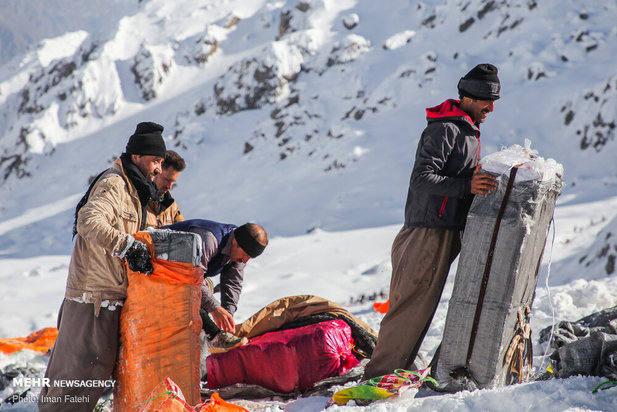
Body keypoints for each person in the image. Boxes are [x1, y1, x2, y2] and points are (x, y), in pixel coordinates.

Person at [362, 64, 501, 380]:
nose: (491, 108)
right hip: (426, 232)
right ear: (469, 96)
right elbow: (422, 179)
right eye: (486, 100)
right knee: (409, 308)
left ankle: (391, 371)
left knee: (419, 308)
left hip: (442, 231)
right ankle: (376, 379)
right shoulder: (445, 129)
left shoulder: (465, 129)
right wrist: (467, 186)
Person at [39, 122, 167, 411]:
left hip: (105, 297)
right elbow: (88, 221)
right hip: (92, 297)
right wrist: (126, 246)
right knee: (76, 376)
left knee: (93, 374)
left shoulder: (135, 190)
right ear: (137, 157)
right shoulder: (115, 184)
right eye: (155, 160)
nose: (159, 168)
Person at [164, 219, 268, 353]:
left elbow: (233, 284)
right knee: (195, 297)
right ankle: (214, 336)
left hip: (182, 276)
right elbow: (191, 276)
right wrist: (216, 309)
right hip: (157, 268)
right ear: (235, 242)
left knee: (204, 295)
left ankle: (216, 336)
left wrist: (227, 316)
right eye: (245, 255)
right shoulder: (208, 239)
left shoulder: (238, 252)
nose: (244, 261)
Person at [146, 150, 186, 228]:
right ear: (155, 172)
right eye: (167, 180)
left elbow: (187, 231)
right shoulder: (135, 200)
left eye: (173, 182)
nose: (169, 187)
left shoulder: (172, 207)